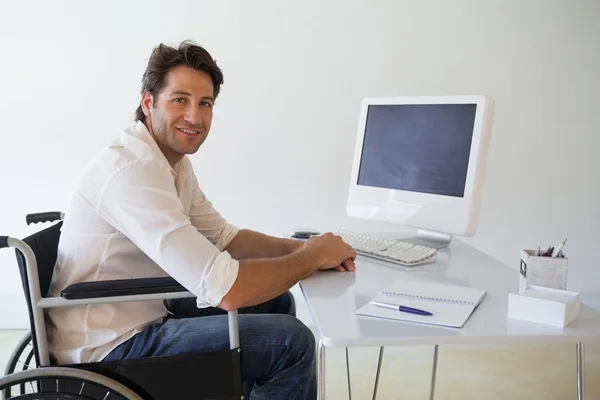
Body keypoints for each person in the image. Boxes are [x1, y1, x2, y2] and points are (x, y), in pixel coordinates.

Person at [46, 40, 357, 400]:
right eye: (180, 99)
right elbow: (227, 290)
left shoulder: (170, 162)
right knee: (292, 343)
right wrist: (311, 258)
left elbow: (225, 238)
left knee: (276, 302)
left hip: (137, 313)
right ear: (148, 102)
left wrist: (308, 248)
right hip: (107, 349)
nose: (195, 116)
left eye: (205, 103)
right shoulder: (133, 171)